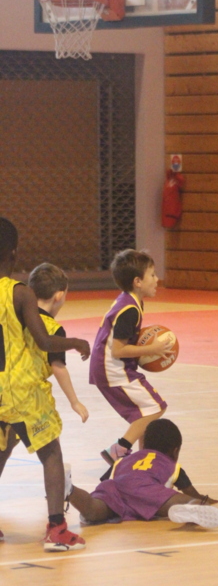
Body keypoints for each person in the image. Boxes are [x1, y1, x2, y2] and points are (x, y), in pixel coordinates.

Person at [0, 218, 90, 550]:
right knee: (51, 452)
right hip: (23, 389)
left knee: (1, 452)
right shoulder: (20, 293)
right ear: (13, 253)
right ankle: (56, 529)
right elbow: (44, 341)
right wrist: (75, 342)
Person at [89, 249, 173, 467]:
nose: (157, 279)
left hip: (109, 367)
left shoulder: (129, 300)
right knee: (156, 407)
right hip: (113, 369)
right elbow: (118, 350)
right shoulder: (129, 309)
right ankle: (118, 450)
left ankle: (143, 459)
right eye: (152, 275)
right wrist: (152, 348)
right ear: (137, 281)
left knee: (146, 412)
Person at [66, 418, 218, 529]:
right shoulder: (171, 464)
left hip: (116, 487)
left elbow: (106, 481)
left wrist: (104, 498)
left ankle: (69, 489)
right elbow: (190, 491)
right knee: (188, 501)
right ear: (175, 451)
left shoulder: (123, 460)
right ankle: (192, 509)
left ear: (144, 445)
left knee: (94, 510)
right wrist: (201, 499)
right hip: (146, 489)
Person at [26, 262, 89, 424]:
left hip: (5, 387)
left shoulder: (19, 318)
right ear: (59, 296)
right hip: (32, 394)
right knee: (50, 436)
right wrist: (74, 401)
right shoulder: (54, 329)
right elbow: (58, 367)